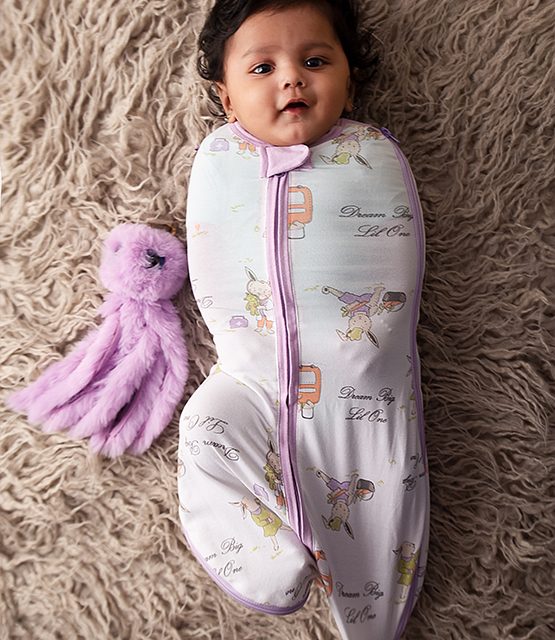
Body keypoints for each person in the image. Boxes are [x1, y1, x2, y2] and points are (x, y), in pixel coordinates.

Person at [177, 1, 429, 638]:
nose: (292, 77)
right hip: (252, 379)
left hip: (361, 390)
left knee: (376, 510)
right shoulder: (221, 159)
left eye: (315, 61)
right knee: (204, 427)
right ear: (226, 98)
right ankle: (266, 560)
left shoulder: (367, 155)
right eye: (262, 67)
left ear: (349, 79)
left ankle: (372, 623)